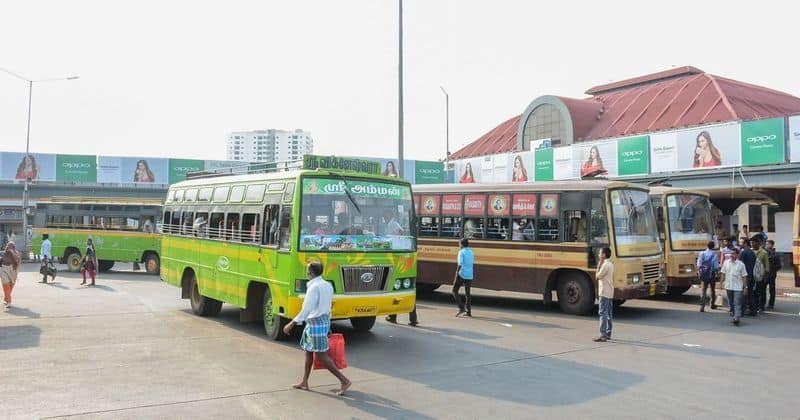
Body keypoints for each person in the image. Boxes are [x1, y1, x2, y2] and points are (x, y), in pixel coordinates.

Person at [283, 261, 351, 396]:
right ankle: (304, 381)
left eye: (308, 270)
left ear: (311, 272)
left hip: (316, 325)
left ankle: (344, 380)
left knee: (321, 356)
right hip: (318, 323)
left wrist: (292, 323)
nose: (306, 273)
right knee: (308, 352)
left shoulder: (314, 287)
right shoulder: (327, 285)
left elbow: (307, 308)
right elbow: (328, 306)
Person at [593, 247, 615, 342]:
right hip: (610, 291)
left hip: (604, 292)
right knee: (609, 313)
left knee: (603, 313)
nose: (599, 255)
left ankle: (603, 335)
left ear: (604, 255)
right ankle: (608, 333)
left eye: (600, 253)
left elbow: (597, 276)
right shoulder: (611, 264)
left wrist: (599, 264)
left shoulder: (605, 265)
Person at [720, 248, 746, 325]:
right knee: (731, 303)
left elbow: (744, 276)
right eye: (731, 253)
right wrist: (721, 283)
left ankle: (736, 318)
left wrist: (745, 287)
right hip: (728, 286)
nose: (732, 255)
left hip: (738, 287)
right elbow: (723, 273)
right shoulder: (726, 263)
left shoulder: (741, 264)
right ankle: (735, 314)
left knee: (737, 303)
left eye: (734, 253)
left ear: (737, 255)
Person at [453, 238, 474, 317]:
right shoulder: (471, 252)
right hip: (470, 274)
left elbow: (460, 264)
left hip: (461, 274)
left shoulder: (461, 252)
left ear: (461, 244)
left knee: (454, 290)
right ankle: (469, 312)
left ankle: (461, 308)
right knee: (467, 293)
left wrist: (456, 273)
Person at [697, 241, 720, 312]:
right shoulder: (714, 255)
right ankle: (712, 304)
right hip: (711, 274)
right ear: (713, 247)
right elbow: (716, 267)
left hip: (704, 273)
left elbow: (698, 264)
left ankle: (702, 306)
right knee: (712, 289)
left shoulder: (702, 253)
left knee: (703, 290)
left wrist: (700, 271)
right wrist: (717, 271)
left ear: (707, 246)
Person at [738, 239, 756, 317]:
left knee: (744, 294)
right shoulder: (752, 252)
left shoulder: (744, 252)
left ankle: (741, 311)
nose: (739, 243)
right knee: (750, 293)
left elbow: (739, 265)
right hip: (752, 275)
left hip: (745, 276)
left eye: (741, 242)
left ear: (745, 243)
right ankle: (753, 311)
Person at [752, 238, 770, 315]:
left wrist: (765, 277)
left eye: (754, 243)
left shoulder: (763, 253)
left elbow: (767, 266)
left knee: (761, 292)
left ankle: (761, 307)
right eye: (752, 243)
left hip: (761, 276)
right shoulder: (751, 252)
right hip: (753, 275)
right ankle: (755, 306)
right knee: (754, 292)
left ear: (758, 243)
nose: (752, 244)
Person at [1, 242, 21, 308]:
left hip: (13, 271)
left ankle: (6, 298)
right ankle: (9, 301)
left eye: (11, 246)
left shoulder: (17, 253)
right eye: (8, 246)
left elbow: (18, 262)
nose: (9, 247)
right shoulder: (3, 253)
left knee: (10, 286)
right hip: (4, 269)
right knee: (6, 285)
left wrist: (12, 253)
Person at [763, 239, 781, 310]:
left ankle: (771, 304)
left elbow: (779, 266)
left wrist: (773, 270)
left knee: (772, 290)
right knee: (762, 290)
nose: (767, 245)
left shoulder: (775, 254)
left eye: (768, 244)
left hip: (772, 275)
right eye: (766, 244)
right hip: (764, 275)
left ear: (772, 245)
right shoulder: (764, 253)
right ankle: (762, 303)